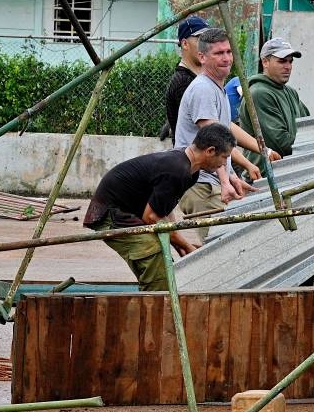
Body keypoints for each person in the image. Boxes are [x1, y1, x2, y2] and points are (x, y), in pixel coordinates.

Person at [83, 123, 235, 291]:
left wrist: (177, 244)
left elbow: (165, 209)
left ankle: (156, 302)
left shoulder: (191, 170)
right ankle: (154, 309)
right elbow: (151, 217)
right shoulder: (177, 169)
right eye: (224, 157)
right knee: (153, 253)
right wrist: (185, 245)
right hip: (111, 215)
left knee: (162, 250)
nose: (224, 164)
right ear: (210, 151)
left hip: (130, 212)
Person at [173, 28, 279, 241]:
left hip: (211, 181)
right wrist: (225, 181)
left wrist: (260, 151)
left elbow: (226, 128)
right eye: (218, 53)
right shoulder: (203, 89)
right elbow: (214, 141)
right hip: (201, 184)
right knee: (223, 245)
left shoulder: (216, 88)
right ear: (202, 57)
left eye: (229, 52)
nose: (226, 58)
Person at [240, 37, 310, 173]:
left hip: (287, 171)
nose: (288, 66)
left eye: (290, 62)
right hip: (265, 176)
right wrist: (310, 149)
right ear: (265, 62)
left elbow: (308, 126)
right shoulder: (259, 93)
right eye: (282, 61)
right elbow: (280, 142)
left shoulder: (290, 92)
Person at [163, 15, 210, 143]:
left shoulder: (201, 79)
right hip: (191, 160)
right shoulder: (183, 82)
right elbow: (211, 132)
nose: (206, 46)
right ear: (184, 43)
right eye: (200, 39)